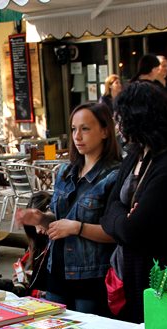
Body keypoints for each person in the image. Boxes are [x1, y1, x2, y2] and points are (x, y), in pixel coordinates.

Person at [101, 81, 167, 323]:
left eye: (121, 119)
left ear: (139, 119)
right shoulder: (136, 154)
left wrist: (121, 220)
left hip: (161, 276)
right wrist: (124, 216)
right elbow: (107, 212)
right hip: (129, 272)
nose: (118, 127)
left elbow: (134, 231)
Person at [18, 102, 121, 314]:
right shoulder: (66, 170)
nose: (77, 136)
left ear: (104, 131)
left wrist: (77, 227)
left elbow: (115, 232)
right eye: (74, 129)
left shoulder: (114, 175)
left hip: (91, 277)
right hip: (56, 271)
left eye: (85, 128)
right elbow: (59, 220)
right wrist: (40, 218)